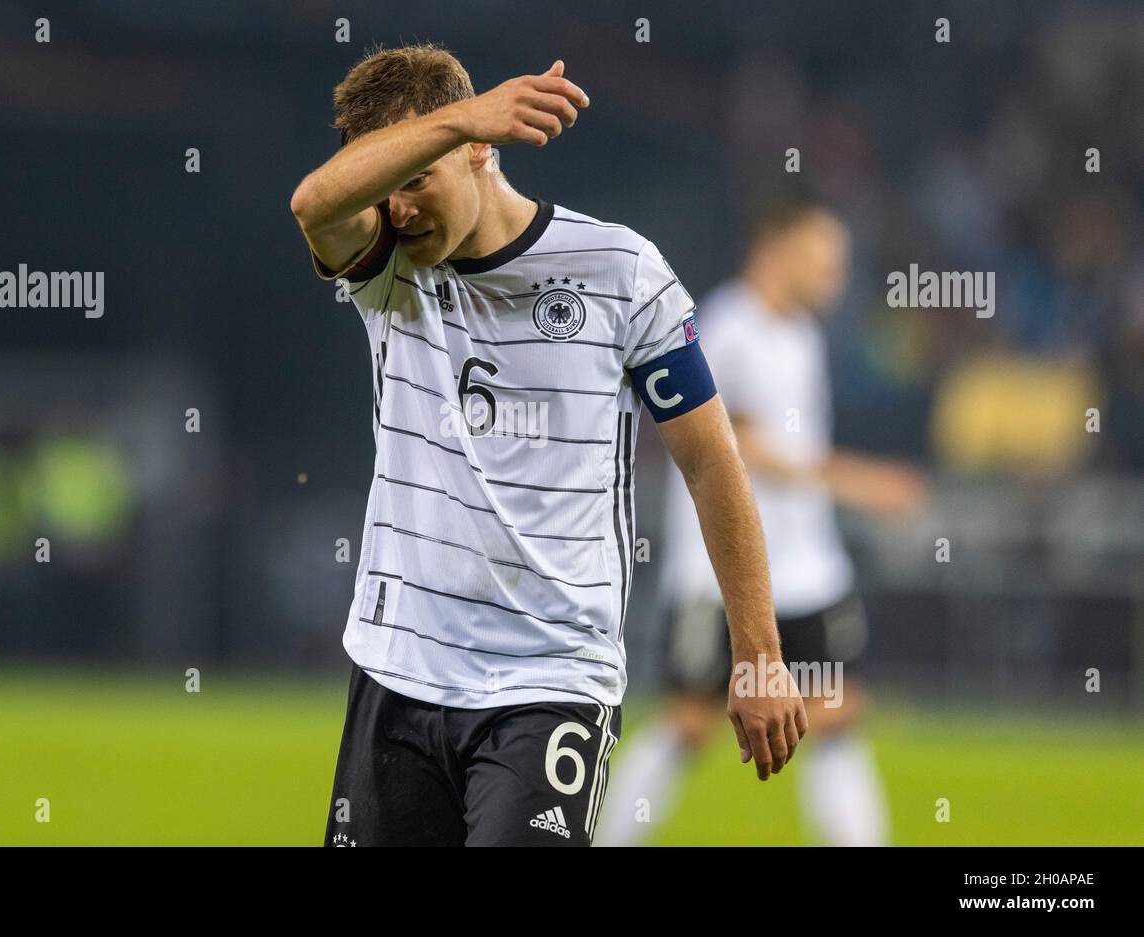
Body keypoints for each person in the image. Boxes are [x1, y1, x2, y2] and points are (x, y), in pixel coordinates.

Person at [290, 42, 805, 846]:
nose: (399, 211)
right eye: (385, 190)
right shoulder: (386, 277)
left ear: (479, 154)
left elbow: (709, 462)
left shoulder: (622, 273)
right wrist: (454, 119)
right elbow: (312, 203)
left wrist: (759, 651)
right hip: (398, 673)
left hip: (550, 680)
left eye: (417, 179)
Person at [596, 198, 926, 847]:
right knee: (689, 722)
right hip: (719, 574)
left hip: (810, 570)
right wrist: (862, 483)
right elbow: (741, 450)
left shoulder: (801, 334)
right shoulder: (726, 327)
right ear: (775, 247)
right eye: (824, 258)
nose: (836, 274)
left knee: (837, 716)